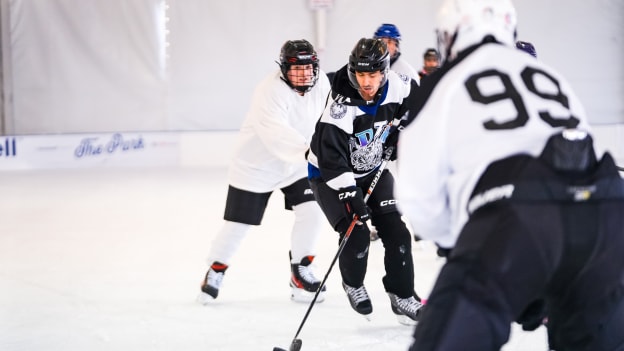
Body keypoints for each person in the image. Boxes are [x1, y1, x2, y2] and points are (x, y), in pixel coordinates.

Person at [397, 0, 624, 350]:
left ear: (450, 34)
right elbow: (580, 144)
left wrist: (486, 248)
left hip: (519, 214)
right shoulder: (550, 75)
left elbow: (418, 197)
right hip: (608, 214)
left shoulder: (442, 82)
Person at [197, 39, 331, 305]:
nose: (303, 74)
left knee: (312, 210)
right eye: (296, 69)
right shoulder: (268, 91)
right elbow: (276, 133)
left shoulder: (322, 83)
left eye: (308, 68)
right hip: (257, 166)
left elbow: (329, 117)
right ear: (283, 68)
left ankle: (300, 270)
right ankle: (215, 270)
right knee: (239, 225)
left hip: (297, 164)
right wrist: (311, 153)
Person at [307, 37, 424, 325]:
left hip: (373, 168)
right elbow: (330, 157)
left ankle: (403, 295)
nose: (366, 81)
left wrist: (401, 133)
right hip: (329, 174)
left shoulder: (401, 85)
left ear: (384, 71)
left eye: (372, 74)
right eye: (360, 74)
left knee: (397, 232)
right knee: (356, 230)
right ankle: (353, 283)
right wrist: (349, 193)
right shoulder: (340, 103)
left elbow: (419, 106)